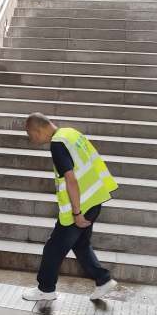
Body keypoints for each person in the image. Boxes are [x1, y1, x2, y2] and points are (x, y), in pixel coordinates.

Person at [22, 113, 119, 301]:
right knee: (81, 244)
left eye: (31, 135)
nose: (31, 139)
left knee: (53, 248)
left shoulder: (57, 144)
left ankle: (45, 289)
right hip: (95, 198)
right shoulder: (71, 133)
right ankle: (103, 279)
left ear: (38, 130)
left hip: (81, 205)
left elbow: (71, 179)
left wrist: (77, 213)